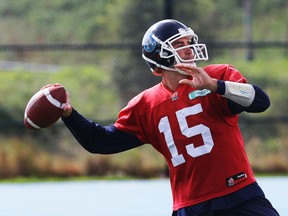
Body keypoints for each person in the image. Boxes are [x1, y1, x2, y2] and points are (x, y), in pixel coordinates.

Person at [61, 19, 279, 216]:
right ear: (159, 60)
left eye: (188, 41)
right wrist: (69, 114)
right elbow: (100, 141)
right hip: (190, 206)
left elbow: (261, 102)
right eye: (179, 44)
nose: (189, 49)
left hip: (239, 194)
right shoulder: (145, 105)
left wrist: (215, 86)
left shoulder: (218, 76)